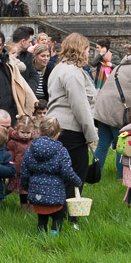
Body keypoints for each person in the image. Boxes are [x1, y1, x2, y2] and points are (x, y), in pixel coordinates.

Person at [45, 33, 99, 196]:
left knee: (58, 175)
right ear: (80, 50)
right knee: (75, 176)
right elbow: (80, 106)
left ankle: (57, 213)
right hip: (71, 130)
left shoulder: (59, 67)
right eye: (87, 50)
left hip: (55, 127)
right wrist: (91, 135)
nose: (88, 54)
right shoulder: (72, 72)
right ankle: (71, 216)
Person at [92, 44, 131, 173]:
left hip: (104, 109)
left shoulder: (120, 66)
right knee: (124, 144)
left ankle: (95, 175)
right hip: (118, 112)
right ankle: (123, 176)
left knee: (103, 144)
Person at [22, 115, 83, 235]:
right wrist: (77, 181)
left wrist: (25, 186)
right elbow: (67, 171)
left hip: (37, 191)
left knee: (42, 218)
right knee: (57, 217)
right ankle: (53, 239)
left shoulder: (31, 149)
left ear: (39, 132)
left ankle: (41, 237)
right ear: (58, 134)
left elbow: (25, 170)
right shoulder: (61, 151)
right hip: (56, 193)